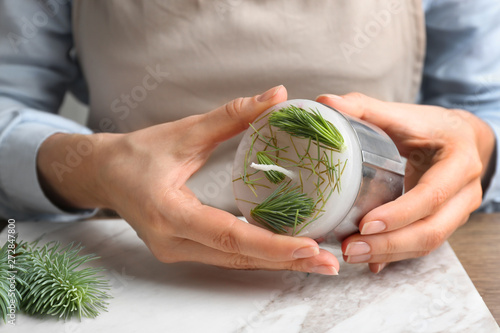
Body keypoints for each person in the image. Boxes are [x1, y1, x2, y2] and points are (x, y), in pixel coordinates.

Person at [1, 0, 499, 275]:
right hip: (133, 261)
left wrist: (477, 145)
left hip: (360, 268)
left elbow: (486, 107)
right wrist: (92, 169)